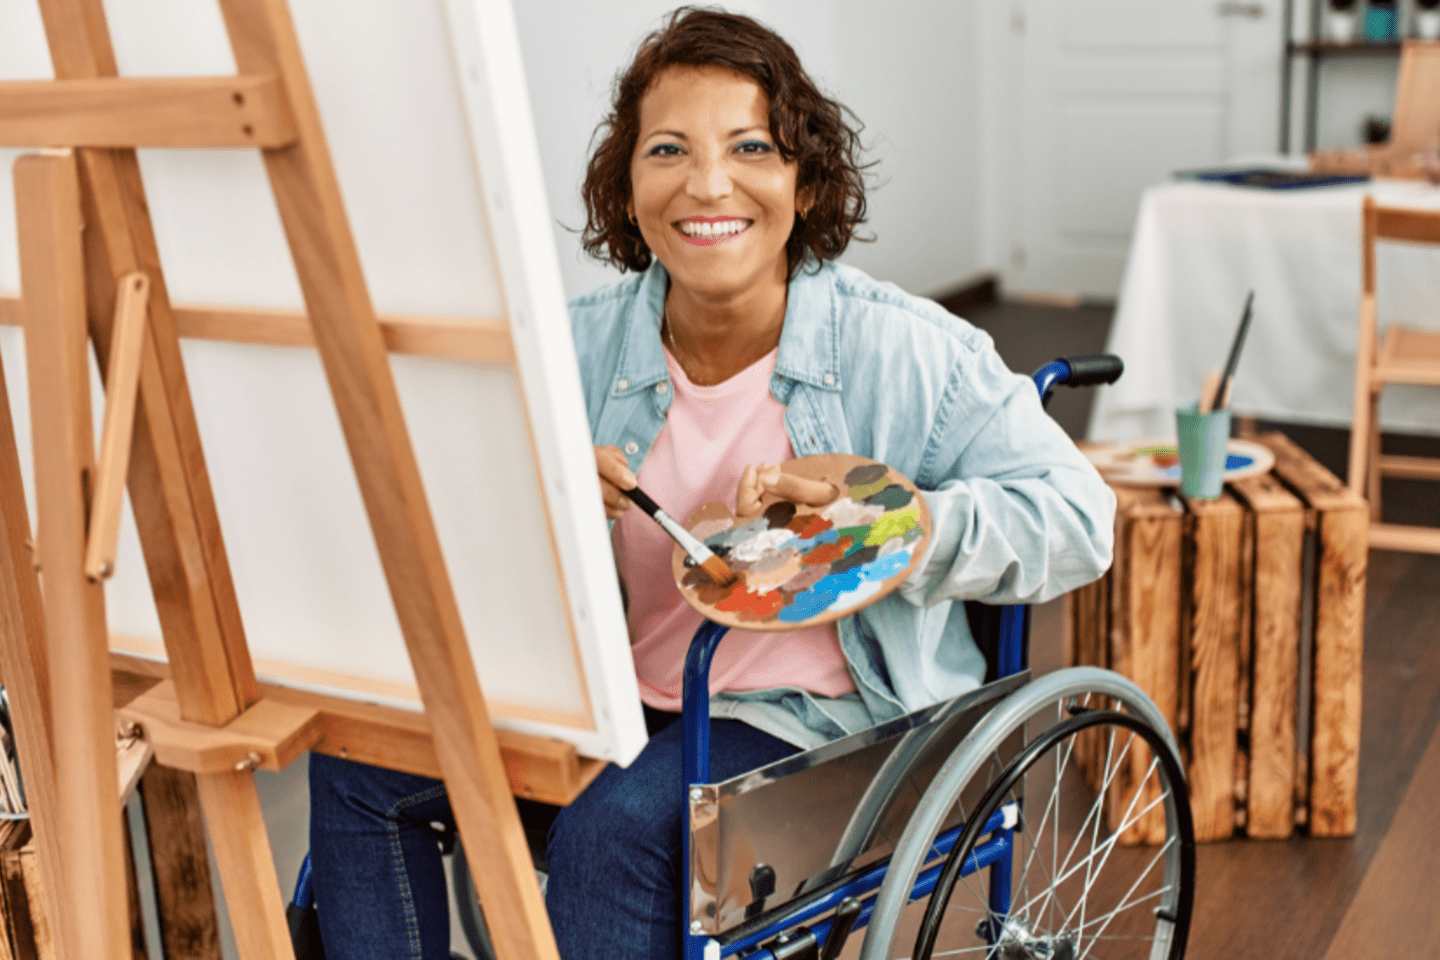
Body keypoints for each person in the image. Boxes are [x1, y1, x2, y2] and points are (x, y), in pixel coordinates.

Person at [307, 8, 1116, 959]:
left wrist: (896, 519)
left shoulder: (907, 350)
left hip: (828, 732)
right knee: (356, 760)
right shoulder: (569, 345)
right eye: (667, 150)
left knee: (617, 829)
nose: (707, 184)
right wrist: (538, 496)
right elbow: (440, 504)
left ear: (804, 181)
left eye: (750, 147)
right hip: (619, 705)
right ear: (629, 183)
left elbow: (1077, 518)